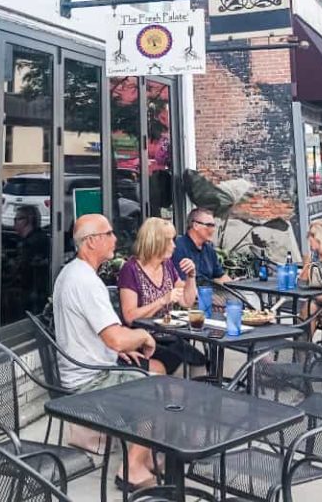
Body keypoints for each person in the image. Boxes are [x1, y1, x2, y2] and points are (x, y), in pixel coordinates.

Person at [53, 214, 158, 491]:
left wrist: (120, 350)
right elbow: (116, 339)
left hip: (87, 369)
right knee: (157, 390)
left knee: (152, 374)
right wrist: (143, 336)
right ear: (90, 242)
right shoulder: (85, 281)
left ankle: (144, 457)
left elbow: (103, 338)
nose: (115, 239)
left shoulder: (72, 273)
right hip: (89, 381)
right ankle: (132, 470)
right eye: (109, 233)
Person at [118, 217, 199, 375]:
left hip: (168, 335)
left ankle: (198, 398)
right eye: (169, 241)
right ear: (155, 242)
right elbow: (129, 316)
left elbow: (187, 302)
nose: (174, 246)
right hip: (142, 339)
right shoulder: (131, 270)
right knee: (182, 365)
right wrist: (162, 300)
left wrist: (191, 276)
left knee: (199, 362)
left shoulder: (167, 265)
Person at [172, 207, 231, 285]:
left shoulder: (209, 250)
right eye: (209, 225)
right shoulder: (178, 248)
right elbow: (180, 283)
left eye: (214, 226)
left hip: (209, 294)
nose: (213, 229)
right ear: (196, 225)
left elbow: (220, 276)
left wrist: (237, 284)